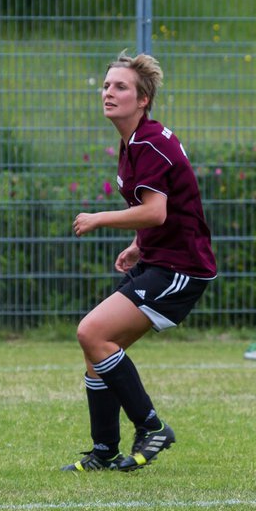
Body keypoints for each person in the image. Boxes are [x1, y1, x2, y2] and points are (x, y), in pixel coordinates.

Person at [63, 50, 217, 473]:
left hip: (180, 269)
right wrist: (137, 244)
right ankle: (104, 450)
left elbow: (156, 212)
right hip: (159, 260)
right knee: (96, 348)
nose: (108, 93)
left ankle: (152, 427)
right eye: (107, 85)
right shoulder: (133, 141)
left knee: (92, 332)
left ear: (143, 98)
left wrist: (99, 218)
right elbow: (158, 205)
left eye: (120, 87)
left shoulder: (149, 143)